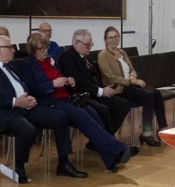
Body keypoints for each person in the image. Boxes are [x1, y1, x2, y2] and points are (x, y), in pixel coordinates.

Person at [0, 36, 87, 183]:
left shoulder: (10, 67)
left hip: (23, 107)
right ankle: (19, 167)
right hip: (1, 113)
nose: (13, 50)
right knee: (28, 129)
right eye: (9, 47)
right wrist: (15, 102)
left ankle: (64, 163)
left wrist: (29, 98)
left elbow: (22, 87)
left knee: (61, 117)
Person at [26, 34, 135, 171]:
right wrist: (52, 84)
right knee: (82, 114)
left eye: (46, 48)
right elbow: (32, 89)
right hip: (48, 102)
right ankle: (117, 149)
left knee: (92, 113)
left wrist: (68, 81)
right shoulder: (29, 65)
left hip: (64, 98)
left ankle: (111, 159)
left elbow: (61, 79)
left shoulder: (49, 62)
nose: (45, 51)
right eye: (41, 49)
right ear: (33, 50)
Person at [98, 25, 166, 147]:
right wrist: (131, 81)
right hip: (118, 88)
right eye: (111, 38)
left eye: (116, 37)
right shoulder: (103, 55)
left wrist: (133, 77)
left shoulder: (122, 52)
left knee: (156, 93)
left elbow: (132, 69)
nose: (114, 40)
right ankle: (146, 133)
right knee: (148, 96)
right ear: (105, 40)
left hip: (130, 84)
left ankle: (163, 128)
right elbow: (110, 77)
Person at [57, 29, 131, 136]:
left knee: (123, 105)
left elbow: (94, 76)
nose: (90, 47)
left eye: (91, 44)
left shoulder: (85, 56)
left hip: (94, 92)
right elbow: (79, 82)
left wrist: (104, 88)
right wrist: (101, 91)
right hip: (82, 95)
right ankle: (106, 140)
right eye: (87, 45)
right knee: (104, 110)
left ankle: (104, 139)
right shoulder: (67, 57)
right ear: (76, 43)